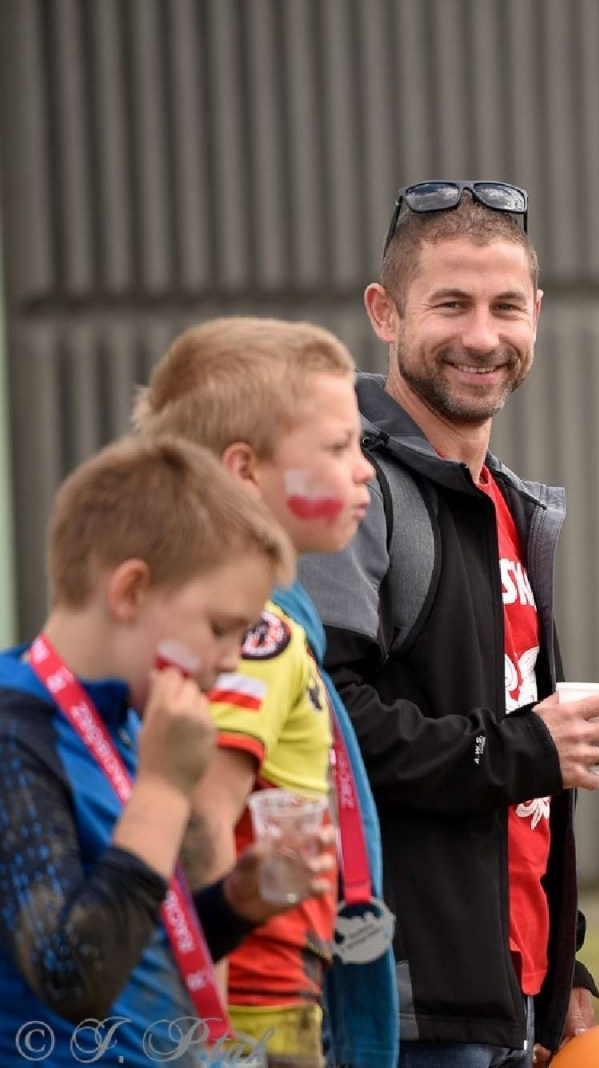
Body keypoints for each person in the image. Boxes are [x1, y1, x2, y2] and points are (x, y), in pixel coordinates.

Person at [297, 180, 599, 1068]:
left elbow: (512, 761)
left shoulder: (506, 507)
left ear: (538, 316)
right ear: (386, 312)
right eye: (451, 304)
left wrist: (568, 956)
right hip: (402, 1007)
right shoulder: (353, 491)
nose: (483, 336)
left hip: (511, 994)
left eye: (506, 307)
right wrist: (525, 749)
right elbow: (318, 718)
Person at [0, 436, 334, 1067]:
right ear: (129, 592)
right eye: (219, 628)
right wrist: (162, 790)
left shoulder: (128, 722)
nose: (234, 659)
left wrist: (232, 903)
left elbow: (133, 952)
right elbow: (74, 979)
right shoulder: (16, 732)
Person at [133, 316, 397, 1068]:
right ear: (245, 470)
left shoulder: (246, 616)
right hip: (253, 1015)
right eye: (339, 448)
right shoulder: (255, 632)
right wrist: (206, 1033)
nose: (367, 471)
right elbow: (203, 817)